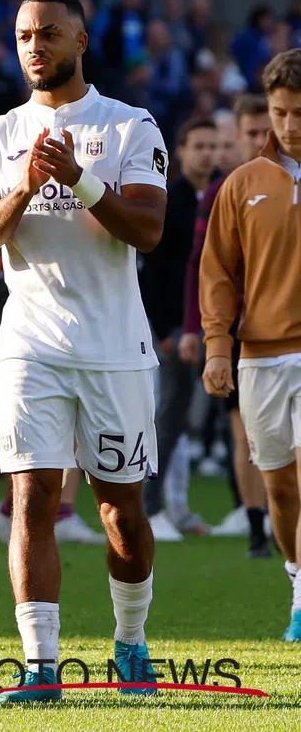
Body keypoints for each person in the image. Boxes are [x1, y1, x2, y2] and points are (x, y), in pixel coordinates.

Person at [0, 0, 169, 701]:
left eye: (48, 33)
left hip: (115, 348)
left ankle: (131, 640)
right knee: (33, 500)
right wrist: (24, 188)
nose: (34, 46)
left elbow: (148, 230)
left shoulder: (130, 125)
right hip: (30, 347)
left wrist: (77, 179)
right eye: (22, 35)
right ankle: (41, 667)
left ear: (81, 41)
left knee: (121, 512)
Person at [200, 49, 301, 640]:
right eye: (281, 113)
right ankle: (296, 578)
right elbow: (217, 273)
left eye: (298, 113)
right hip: (260, 358)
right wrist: (217, 347)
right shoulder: (240, 185)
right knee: (282, 489)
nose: (290, 126)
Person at [186, 92, 274, 554]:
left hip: (287, 330)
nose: (262, 140)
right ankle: (257, 523)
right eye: (253, 132)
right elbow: (203, 267)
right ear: (236, 137)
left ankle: (281, 522)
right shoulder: (226, 191)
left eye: (269, 129)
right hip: (241, 333)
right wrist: (200, 331)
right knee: (246, 434)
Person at [141, 114, 218, 539]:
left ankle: (179, 508)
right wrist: (166, 329)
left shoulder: (224, 193)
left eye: (213, 146)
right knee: (168, 417)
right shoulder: (171, 201)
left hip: (216, 324)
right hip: (175, 326)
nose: (208, 153)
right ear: (181, 152)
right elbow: (154, 273)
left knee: (188, 417)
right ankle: (150, 510)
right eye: (200, 146)